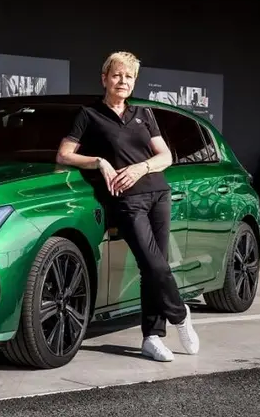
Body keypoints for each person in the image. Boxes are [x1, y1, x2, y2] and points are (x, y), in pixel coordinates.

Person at [55, 51, 199, 362]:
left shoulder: (144, 114)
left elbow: (165, 157)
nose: (123, 81)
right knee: (154, 264)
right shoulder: (89, 115)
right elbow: (64, 154)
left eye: (129, 77)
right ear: (104, 78)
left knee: (153, 269)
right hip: (126, 199)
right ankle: (180, 313)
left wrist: (140, 168)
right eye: (117, 75)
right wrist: (99, 161)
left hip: (158, 193)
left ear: (134, 83)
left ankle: (152, 337)